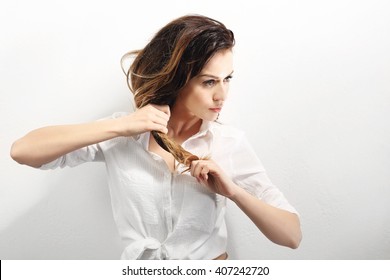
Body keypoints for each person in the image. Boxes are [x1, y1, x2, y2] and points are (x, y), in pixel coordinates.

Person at [10, 14, 302, 260]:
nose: (221, 94)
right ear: (177, 80)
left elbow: (291, 235)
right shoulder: (123, 132)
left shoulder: (228, 142)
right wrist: (121, 126)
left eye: (227, 79)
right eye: (209, 81)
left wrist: (234, 192)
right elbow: (22, 151)